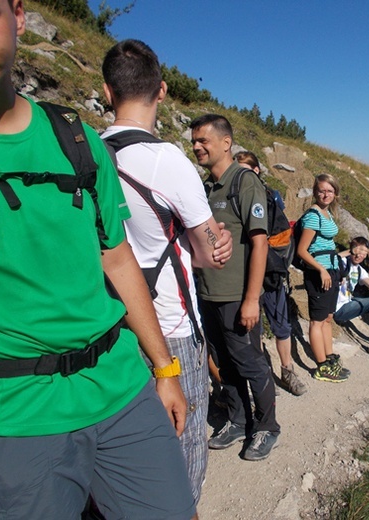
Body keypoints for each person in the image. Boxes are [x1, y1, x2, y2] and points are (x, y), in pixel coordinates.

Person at [0, 2, 196, 519]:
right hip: (3, 411)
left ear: (18, 17)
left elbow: (115, 260)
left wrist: (165, 368)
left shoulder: (75, 136)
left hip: (118, 385)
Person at [101, 39, 234, 502]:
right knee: (184, 446)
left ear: (105, 92)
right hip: (171, 327)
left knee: (127, 453)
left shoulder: (87, 156)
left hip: (111, 326)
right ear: (161, 91)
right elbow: (205, 252)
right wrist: (218, 245)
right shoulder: (166, 160)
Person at [190, 114, 280, 461]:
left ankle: (268, 426)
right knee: (224, 364)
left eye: (204, 140)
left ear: (226, 143)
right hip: (209, 294)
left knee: (251, 364)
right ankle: (239, 420)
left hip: (237, 296)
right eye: (194, 141)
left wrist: (251, 300)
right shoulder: (205, 187)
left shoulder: (243, 182)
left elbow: (260, 244)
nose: (197, 146)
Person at [234, 151, 307, 396]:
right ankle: (262, 377)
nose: (241, 176)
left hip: (271, 271)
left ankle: (288, 372)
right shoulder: (236, 197)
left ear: (256, 171)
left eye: (246, 170)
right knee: (251, 328)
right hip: (247, 271)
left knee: (281, 325)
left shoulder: (269, 196)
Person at [296, 173, 350, 382]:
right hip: (319, 274)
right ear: (315, 191)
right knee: (317, 321)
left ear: (335, 193)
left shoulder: (327, 214)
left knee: (327, 318)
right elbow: (302, 250)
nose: (325, 194)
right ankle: (321, 366)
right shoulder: (313, 215)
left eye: (329, 190)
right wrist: (321, 269)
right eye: (321, 190)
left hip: (331, 271)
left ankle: (329, 357)